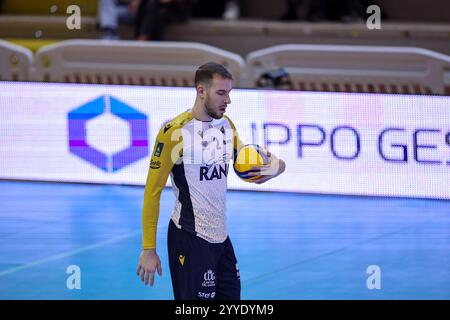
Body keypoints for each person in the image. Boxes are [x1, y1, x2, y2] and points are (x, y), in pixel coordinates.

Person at [136, 62, 286, 300]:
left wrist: (275, 167)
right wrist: (148, 248)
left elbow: (248, 167)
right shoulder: (174, 132)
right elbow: (152, 192)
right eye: (221, 93)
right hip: (189, 237)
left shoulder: (226, 125)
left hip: (221, 238)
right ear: (201, 90)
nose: (228, 100)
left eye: (229, 93)